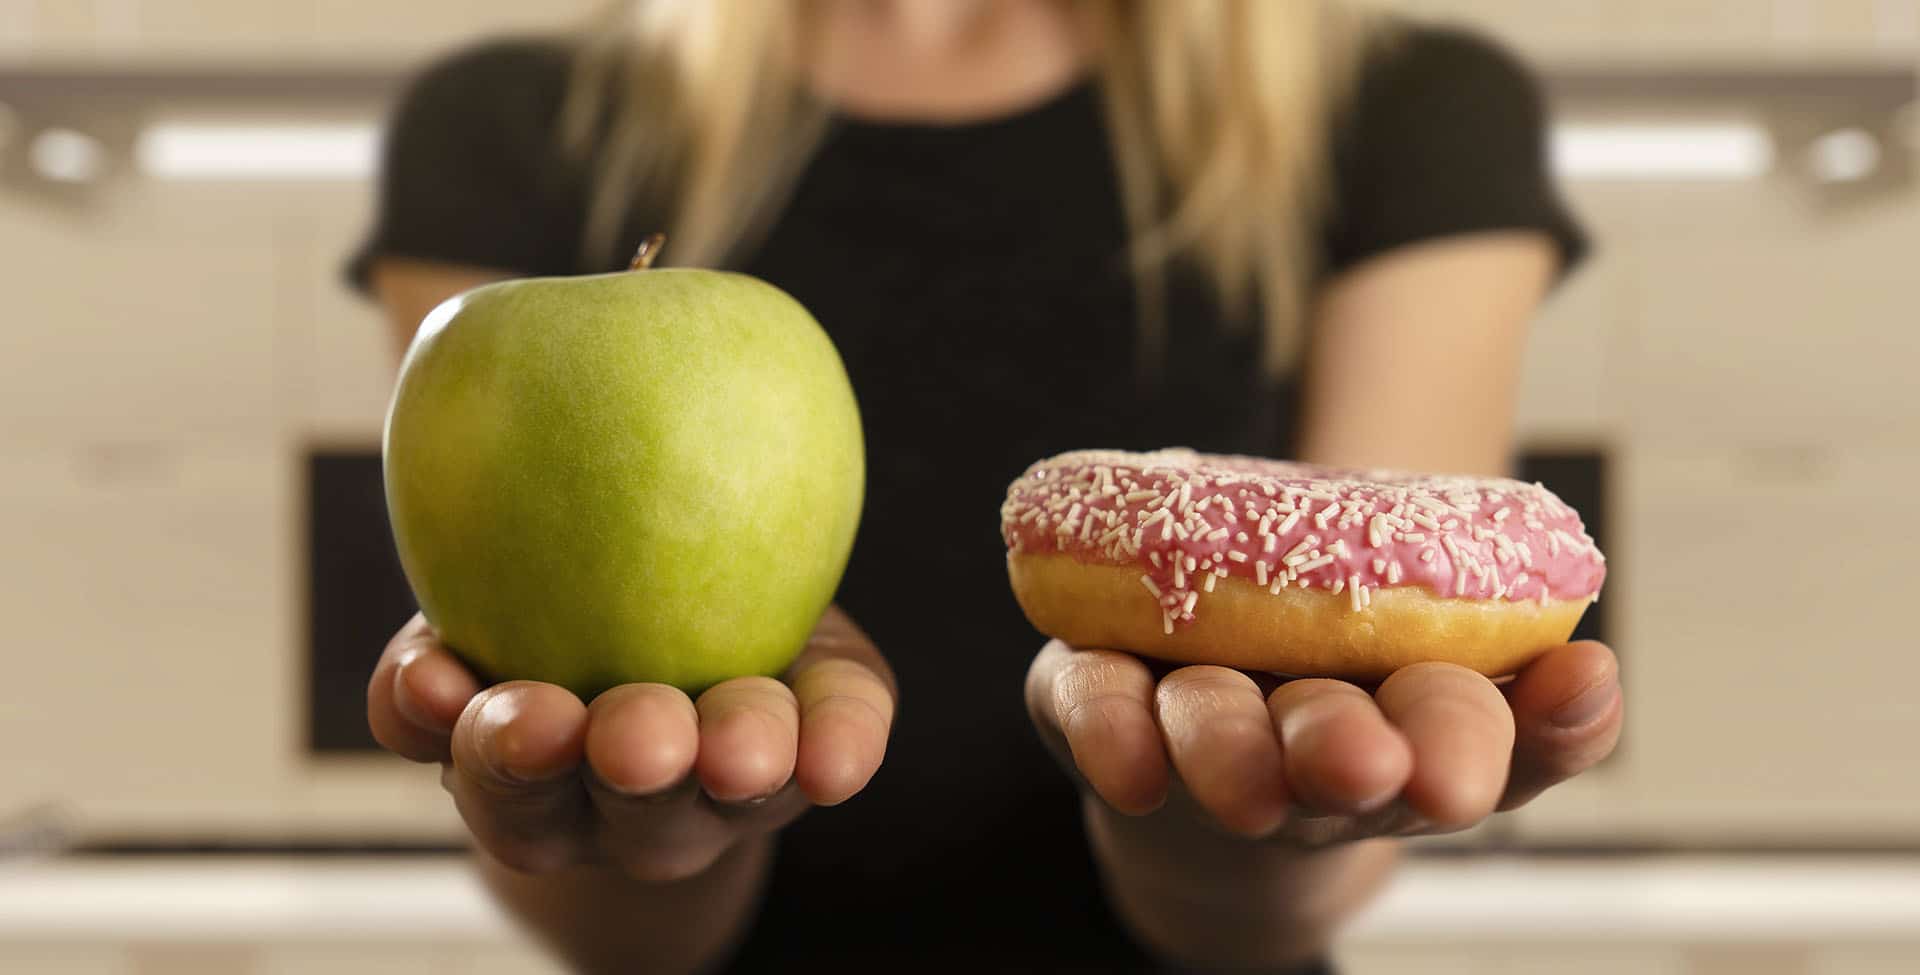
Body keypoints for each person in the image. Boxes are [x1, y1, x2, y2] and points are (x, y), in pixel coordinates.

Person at [352, 1, 1624, 971]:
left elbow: (1383, 636)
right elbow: (607, 924)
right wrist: (645, 838)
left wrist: (1223, 839)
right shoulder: (512, 124)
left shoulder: (1404, 108)